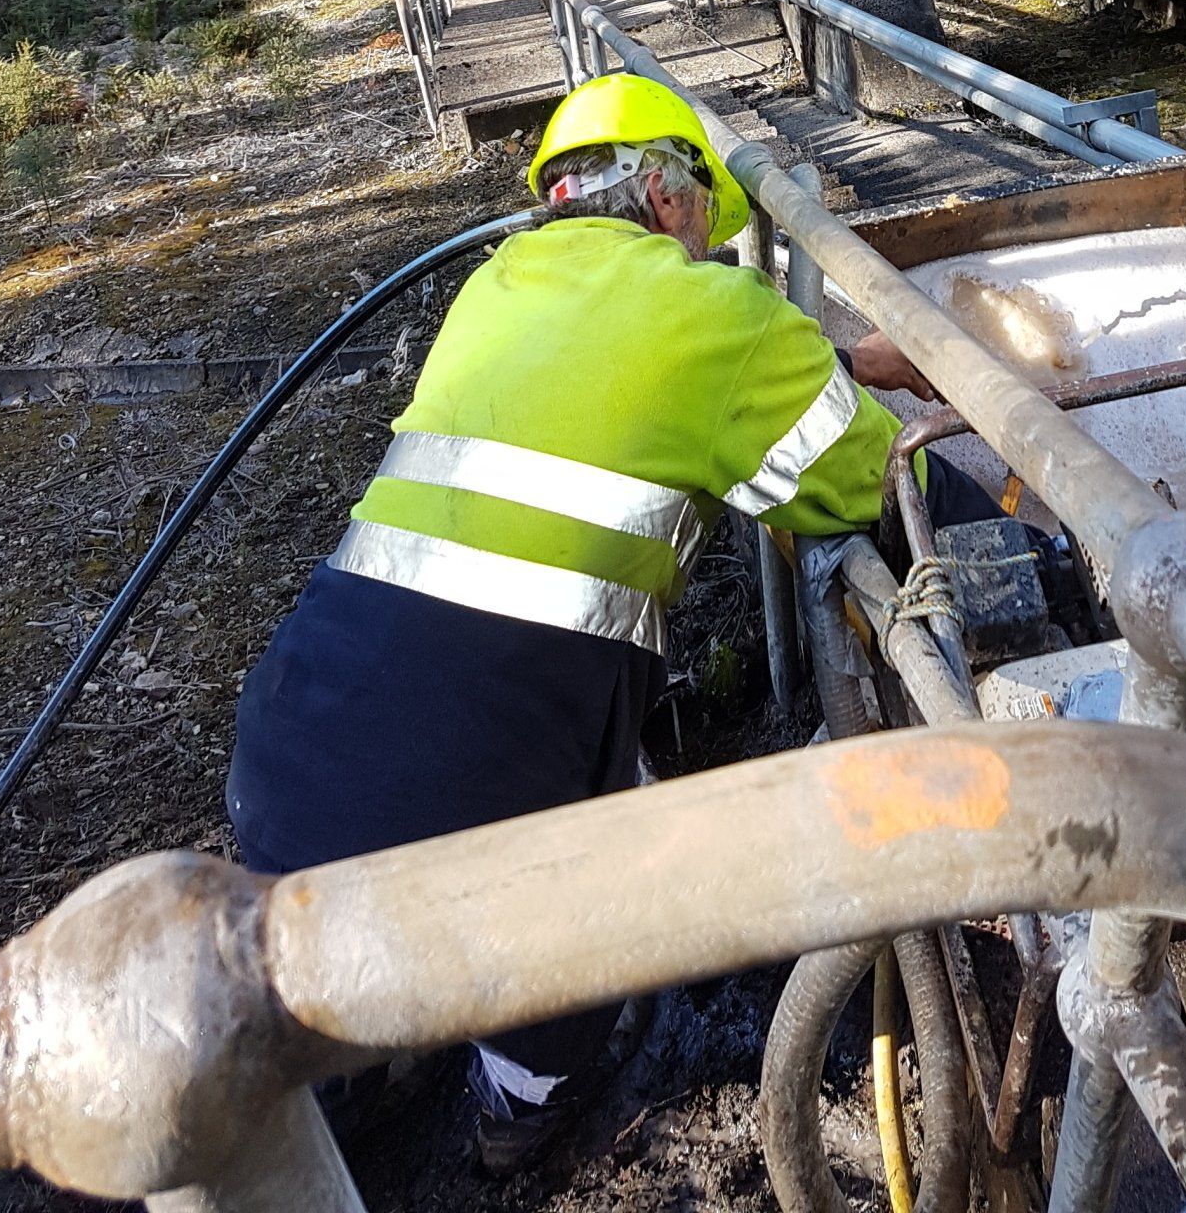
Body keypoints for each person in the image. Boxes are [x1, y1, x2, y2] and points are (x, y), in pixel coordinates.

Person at [226, 71, 993, 1175]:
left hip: (286, 762)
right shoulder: (713, 311)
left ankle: (338, 1071)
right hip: (466, 810)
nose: (705, 250)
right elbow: (859, 478)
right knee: (590, 930)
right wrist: (951, 396)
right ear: (673, 196)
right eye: (704, 229)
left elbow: (622, 377)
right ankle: (517, 1111)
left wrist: (827, 359)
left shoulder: (491, 290)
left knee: (332, 1006)